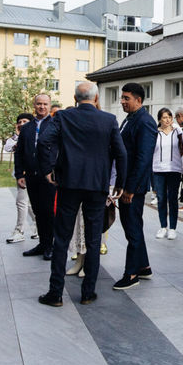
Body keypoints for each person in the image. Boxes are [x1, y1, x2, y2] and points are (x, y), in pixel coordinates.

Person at [37, 81, 126, 307]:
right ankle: (88, 292)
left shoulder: (64, 117)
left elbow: (44, 142)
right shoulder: (108, 120)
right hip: (96, 185)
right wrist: (120, 183)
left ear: (75, 98)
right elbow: (121, 153)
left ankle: (55, 293)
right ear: (96, 99)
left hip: (69, 184)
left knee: (61, 239)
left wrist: (48, 169)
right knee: (94, 240)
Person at [114, 83, 156, 290]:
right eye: (122, 98)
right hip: (127, 183)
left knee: (132, 229)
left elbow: (142, 158)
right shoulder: (130, 119)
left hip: (134, 187)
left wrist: (129, 189)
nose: (122, 101)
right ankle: (144, 266)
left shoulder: (145, 122)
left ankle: (131, 274)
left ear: (138, 100)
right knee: (133, 226)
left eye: (126, 98)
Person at [14, 93, 56, 259]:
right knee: (38, 211)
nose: (42, 107)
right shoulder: (27, 128)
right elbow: (20, 153)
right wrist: (19, 174)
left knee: (49, 211)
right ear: (34, 105)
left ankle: (51, 246)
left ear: (49, 105)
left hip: (49, 177)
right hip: (31, 175)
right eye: (39, 104)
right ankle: (43, 244)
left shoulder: (55, 125)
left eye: (45, 104)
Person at [3, 113, 37, 243]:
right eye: (20, 121)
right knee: (24, 202)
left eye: (25, 121)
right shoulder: (16, 137)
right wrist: (17, 135)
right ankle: (34, 225)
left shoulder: (34, 134)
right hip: (21, 174)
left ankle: (20, 230)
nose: (22, 124)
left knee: (23, 202)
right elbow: (7, 147)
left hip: (32, 173)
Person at [151, 107, 183, 239]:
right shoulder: (154, 133)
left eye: (169, 117)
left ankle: (173, 228)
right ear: (159, 119)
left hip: (174, 169)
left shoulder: (177, 131)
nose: (167, 120)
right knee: (161, 198)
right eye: (164, 117)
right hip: (158, 169)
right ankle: (163, 226)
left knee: (173, 199)